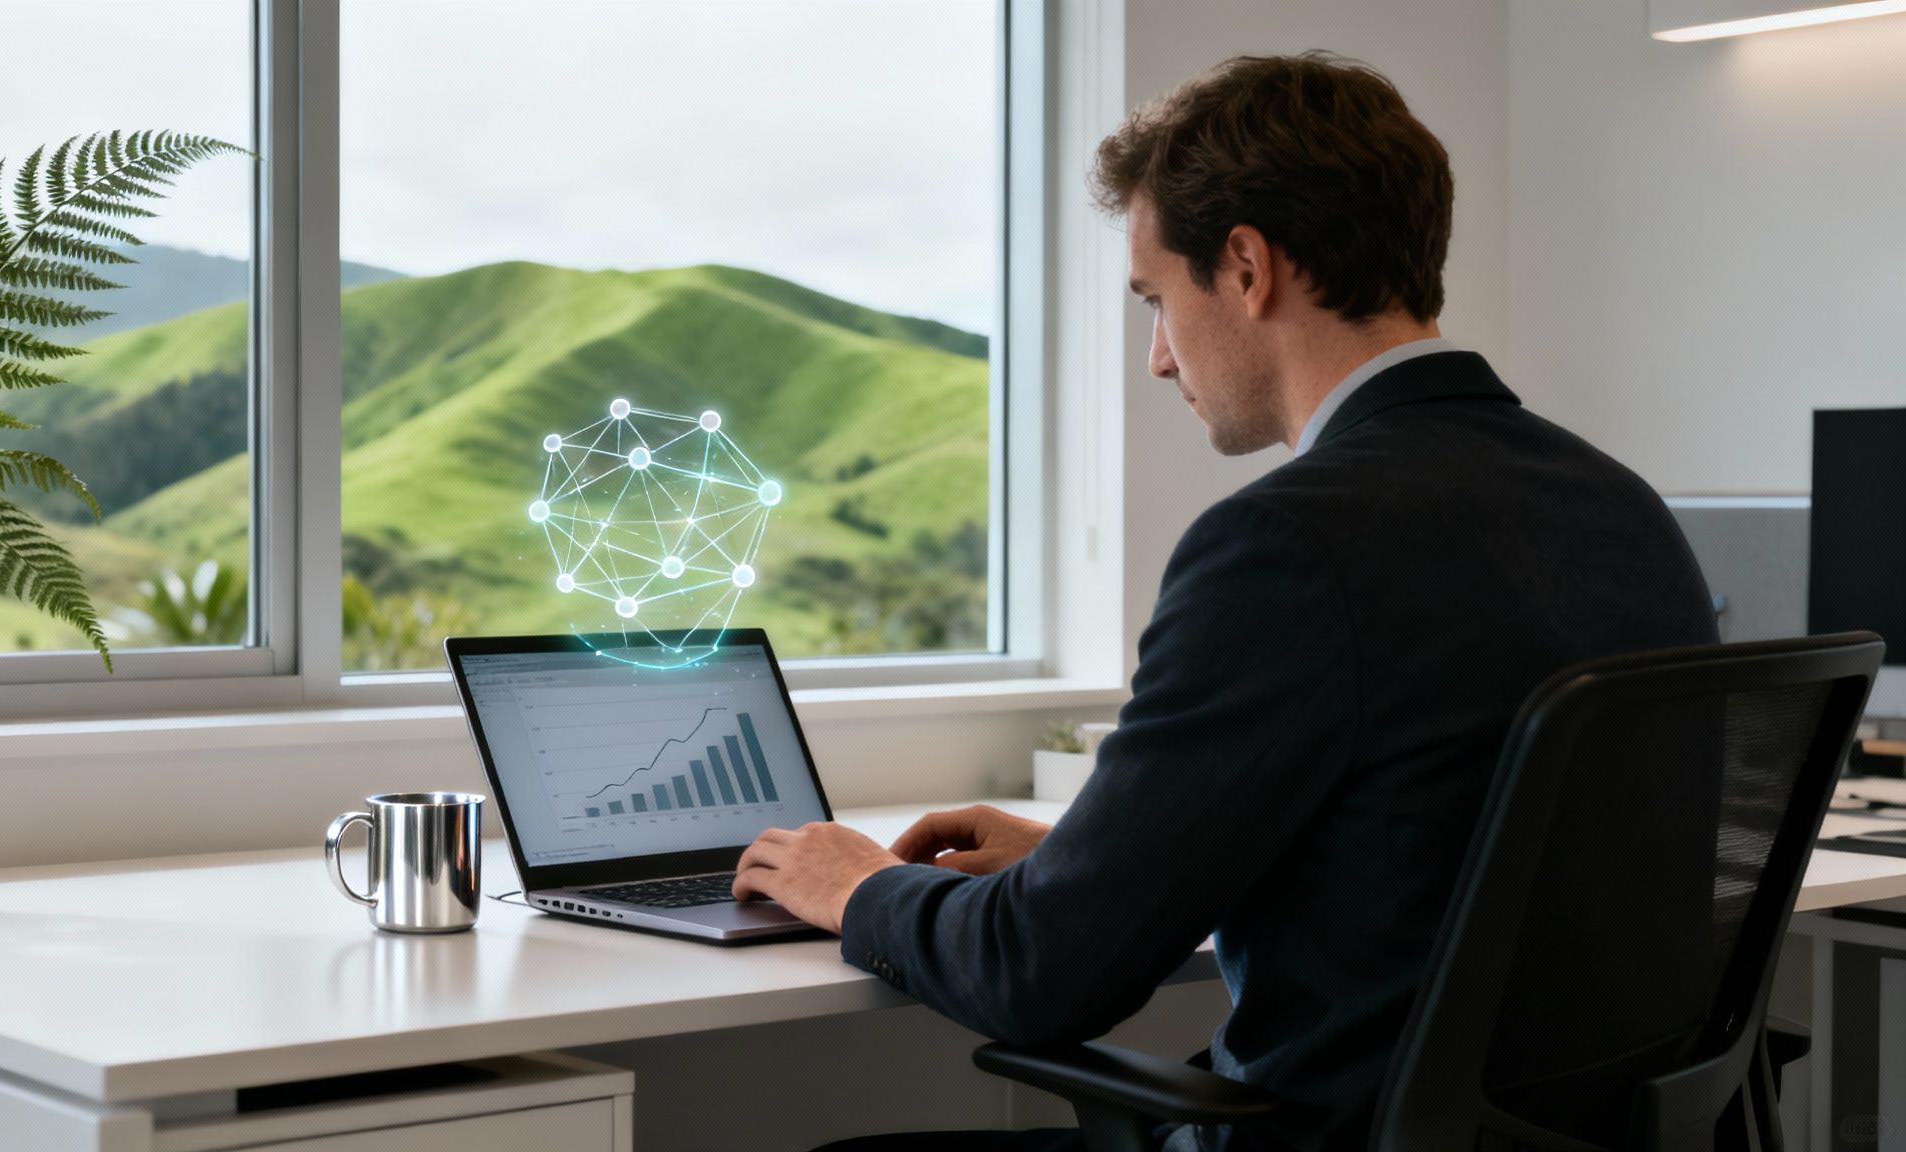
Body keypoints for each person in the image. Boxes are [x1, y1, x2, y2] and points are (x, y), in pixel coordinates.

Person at [731, 51, 1717, 1151]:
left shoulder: (1285, 543)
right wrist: (1088, 858)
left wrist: (857, 888)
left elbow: (1038, 979)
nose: (1156, 359)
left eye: (1156, 299)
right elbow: (1427, 837)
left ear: (1245, 268)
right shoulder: (1618, 506)